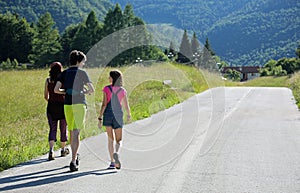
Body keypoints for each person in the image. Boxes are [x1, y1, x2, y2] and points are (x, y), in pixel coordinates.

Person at [54, 50, 94, 172]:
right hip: (79, 103)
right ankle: (73, 160)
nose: (83, 64)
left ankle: (75, 156)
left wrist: (65, 92)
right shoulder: (82, 73)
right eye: (83, 62)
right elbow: (91, 89)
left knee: (72, 131)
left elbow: (56, 90)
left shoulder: (64, 73)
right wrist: (83, 92)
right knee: (76, 132)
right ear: (78, 61)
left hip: (67, 105)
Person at [98, 70, 131, 169]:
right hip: (118, 115)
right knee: (119, 140)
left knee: (110, 139)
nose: (108, 78)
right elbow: (126, 105)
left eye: (109, 77)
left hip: (108, 114)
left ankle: (112, 161)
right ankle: (116, 153)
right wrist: (128, 114)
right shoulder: (122, 90)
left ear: (112, 78)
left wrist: (100, 117)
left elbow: (104, 104)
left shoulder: (106, 89)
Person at [44, 62, 69, 161]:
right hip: (63, 106)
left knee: (52, 129)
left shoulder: (48, 80)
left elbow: (46, 96)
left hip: (51, 106)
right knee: (63, 128)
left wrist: (51, 101)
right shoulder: (63, 80)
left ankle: (51, 150)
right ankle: (63, 149)